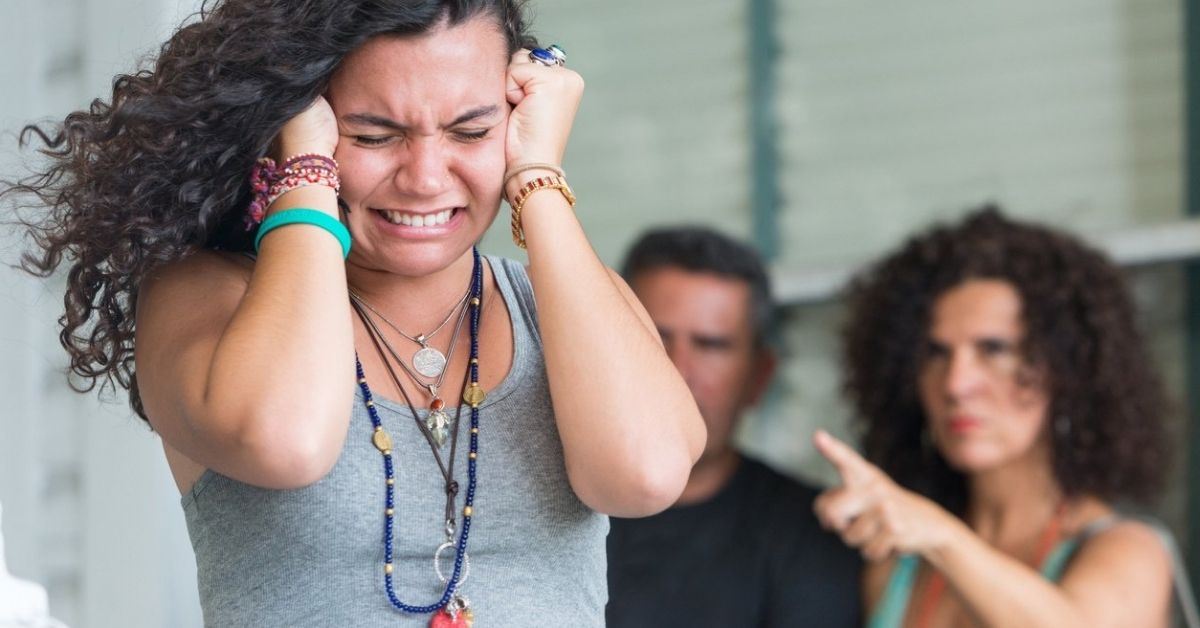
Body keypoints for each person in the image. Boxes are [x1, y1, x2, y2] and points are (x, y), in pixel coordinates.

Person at [7, 1, 707, 625]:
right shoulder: (210, 296)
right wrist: (304, 165)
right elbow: (286, 440)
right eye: (373, 135)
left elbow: (643, 475)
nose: (427, 177)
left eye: (470, 131)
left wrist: (536, 178)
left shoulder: (561, 301)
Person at [813, 207, 1176, 627]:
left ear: (1068, 370)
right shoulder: (896, 569)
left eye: (994, 350)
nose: (956, 383)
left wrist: (943, 535)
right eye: (936, 353)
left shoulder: (1127, 550)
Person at [606, 227, 862, 627]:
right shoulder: (539, 504)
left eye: (710, 345)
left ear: (759, 376)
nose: (677, 370)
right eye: (653, 336)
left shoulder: (810, 533)